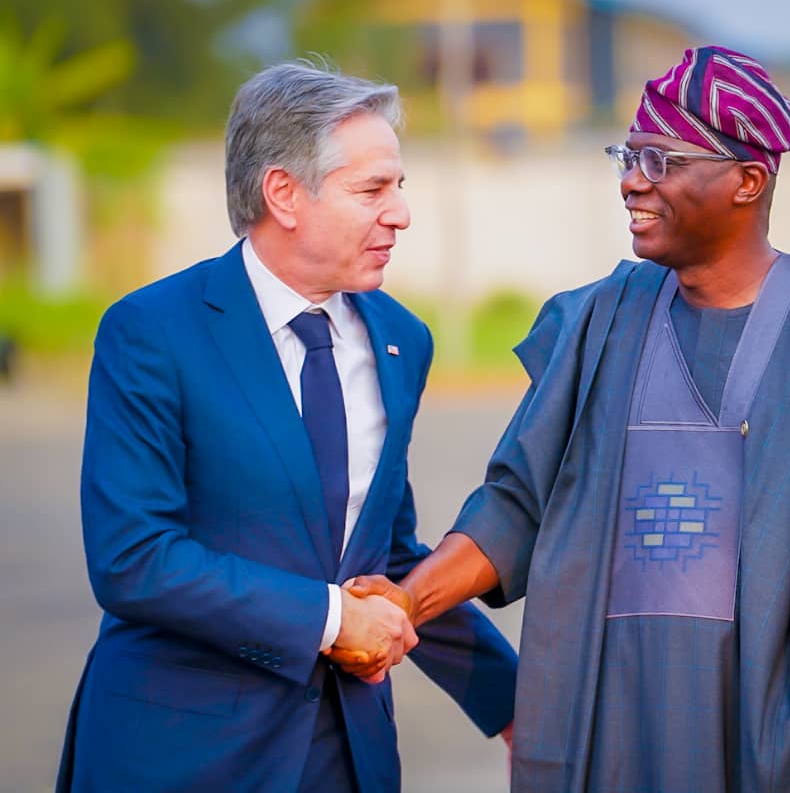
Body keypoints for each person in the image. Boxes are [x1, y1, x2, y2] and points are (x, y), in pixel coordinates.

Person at [334, 46, 790, 792]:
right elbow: (514, 509)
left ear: (748, 180)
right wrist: (405, 601)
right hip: (617, 728)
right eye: (627, 154)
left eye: (660, 159)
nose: (630, 180)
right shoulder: (595, 326)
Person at [57, 60, 517, 793]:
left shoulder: (402, 339)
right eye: (372, 189)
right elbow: (133, 558)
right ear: (283, 193)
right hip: (178, 754)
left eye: (399, 187)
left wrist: (512, 702)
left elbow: (386, 556)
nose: (399, 212)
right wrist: (331, 619)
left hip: (346, 755)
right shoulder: (152, 332)